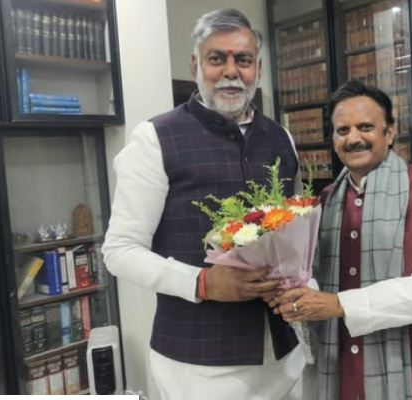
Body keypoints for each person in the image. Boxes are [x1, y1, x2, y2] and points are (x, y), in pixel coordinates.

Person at [102, 9, 306, 400]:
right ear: (196, 65)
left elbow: (293, 234)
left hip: (283, 356)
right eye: (217, 58)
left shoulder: (281, 137)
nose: (231, 71)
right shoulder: (155, 138)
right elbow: (120, 251)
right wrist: (202, 283)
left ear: (258, 68)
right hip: (198, 369)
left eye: (243, 59)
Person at [272, 80, 412, 400]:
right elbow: (315, 277)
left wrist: (339, 304)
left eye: (365, 127)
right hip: (343, 377)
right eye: (342, 130)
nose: (354, 138)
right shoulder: (325, 201)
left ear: (389, 132)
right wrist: (295, 295)